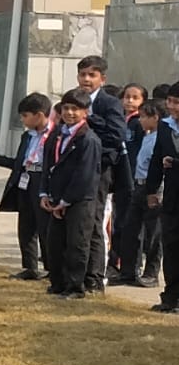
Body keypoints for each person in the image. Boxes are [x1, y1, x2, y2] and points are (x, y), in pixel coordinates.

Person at [39, 88, 104, 299]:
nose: (70, 113)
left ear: (85, 112)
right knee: (54, 243)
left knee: (77, 243)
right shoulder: (57, 134)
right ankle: (58, 283)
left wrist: (66, 200)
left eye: (75, 109)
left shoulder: (88, 139)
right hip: (56, 197)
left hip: (79, 200)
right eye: (66, 108)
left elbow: (85, 174)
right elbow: (47, 164)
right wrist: (44, 192)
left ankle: (75, 286)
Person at [0, 93, 54, 281]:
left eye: (25, 116)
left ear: (39, 115)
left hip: (43, 181)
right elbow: (19, 163)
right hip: (26, 180)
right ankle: (30, 267)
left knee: (45, 226)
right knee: (26, 226)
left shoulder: (55, 135)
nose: (22, 120)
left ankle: (52, 267)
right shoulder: (27, 136)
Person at [76, 55, 130, 293]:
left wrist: (91, 119)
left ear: (102, 78)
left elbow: (117, 136)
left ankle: (95, 278)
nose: (86, 79)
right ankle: (75, 274)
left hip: (99, 169)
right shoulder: (74, 99)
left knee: (94, 221)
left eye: (92, 75)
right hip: (75, 168)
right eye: (83, 74)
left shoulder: (109, 103)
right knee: (77, 221)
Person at [112, 102, 162, 288]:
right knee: (131, 229)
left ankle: (151, 273)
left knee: (154, 233)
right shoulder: (147, 136)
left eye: (144, 117)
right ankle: (128, 271)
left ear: (155, 117)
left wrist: (158, 191)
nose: (140, 120)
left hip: (153, 188)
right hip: (138, 186)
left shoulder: (161, 139)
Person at [144, 84, 179, 312]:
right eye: (170, 101)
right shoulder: (165, 126)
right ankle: (171, 297)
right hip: (172, 197)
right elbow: (158, 158)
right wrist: (151, 190)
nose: (172, 106)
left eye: (177, 102)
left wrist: (175, 163)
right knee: (172, 246)